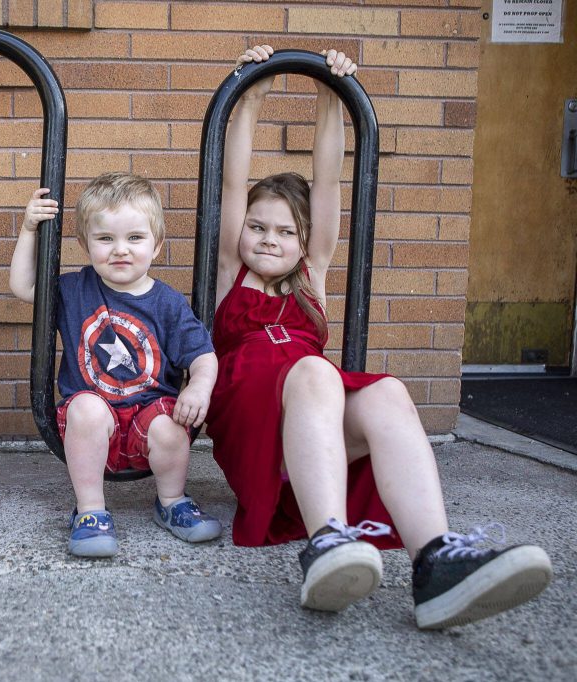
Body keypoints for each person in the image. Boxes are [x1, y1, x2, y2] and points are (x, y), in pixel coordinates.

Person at [206, 45, 552, 628]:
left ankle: (436, 560)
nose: (268, 238)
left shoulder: (312, 275)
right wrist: (254, 94)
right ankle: (328, 543)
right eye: (256, 226)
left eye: (286, 231)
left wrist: (329, 97)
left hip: (311, 435)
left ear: (306, 240)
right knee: (317, 371)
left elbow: (328, 181)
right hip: (251, 427)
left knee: (387, 390)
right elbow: (231, 180)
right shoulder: (227, 273)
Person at [10, 171, 222, 558]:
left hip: (150, 417)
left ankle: (172, 501)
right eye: (106, 238)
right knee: (86, 408)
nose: (120, 249)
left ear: (157, 245)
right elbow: (24, 288)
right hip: (92, 421)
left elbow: (203, 354)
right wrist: (29, 230)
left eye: (135, 238)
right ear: (84, 243)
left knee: (171, 424)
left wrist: (199, 386)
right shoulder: (74, 289)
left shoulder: (168, 304)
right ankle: (90, 511)